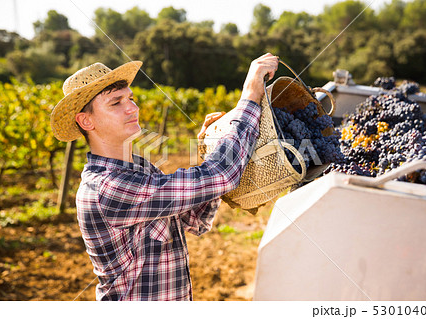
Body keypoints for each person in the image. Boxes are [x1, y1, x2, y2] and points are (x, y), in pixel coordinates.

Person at [50, 53, 279, 301]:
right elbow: (221, 176)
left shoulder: (140, 169)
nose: (132, 107)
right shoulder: (107, 187)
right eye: (116, 103)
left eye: (130, 98)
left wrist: (210, 149)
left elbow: (195, 220)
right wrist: (250, 98)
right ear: (86, 120)